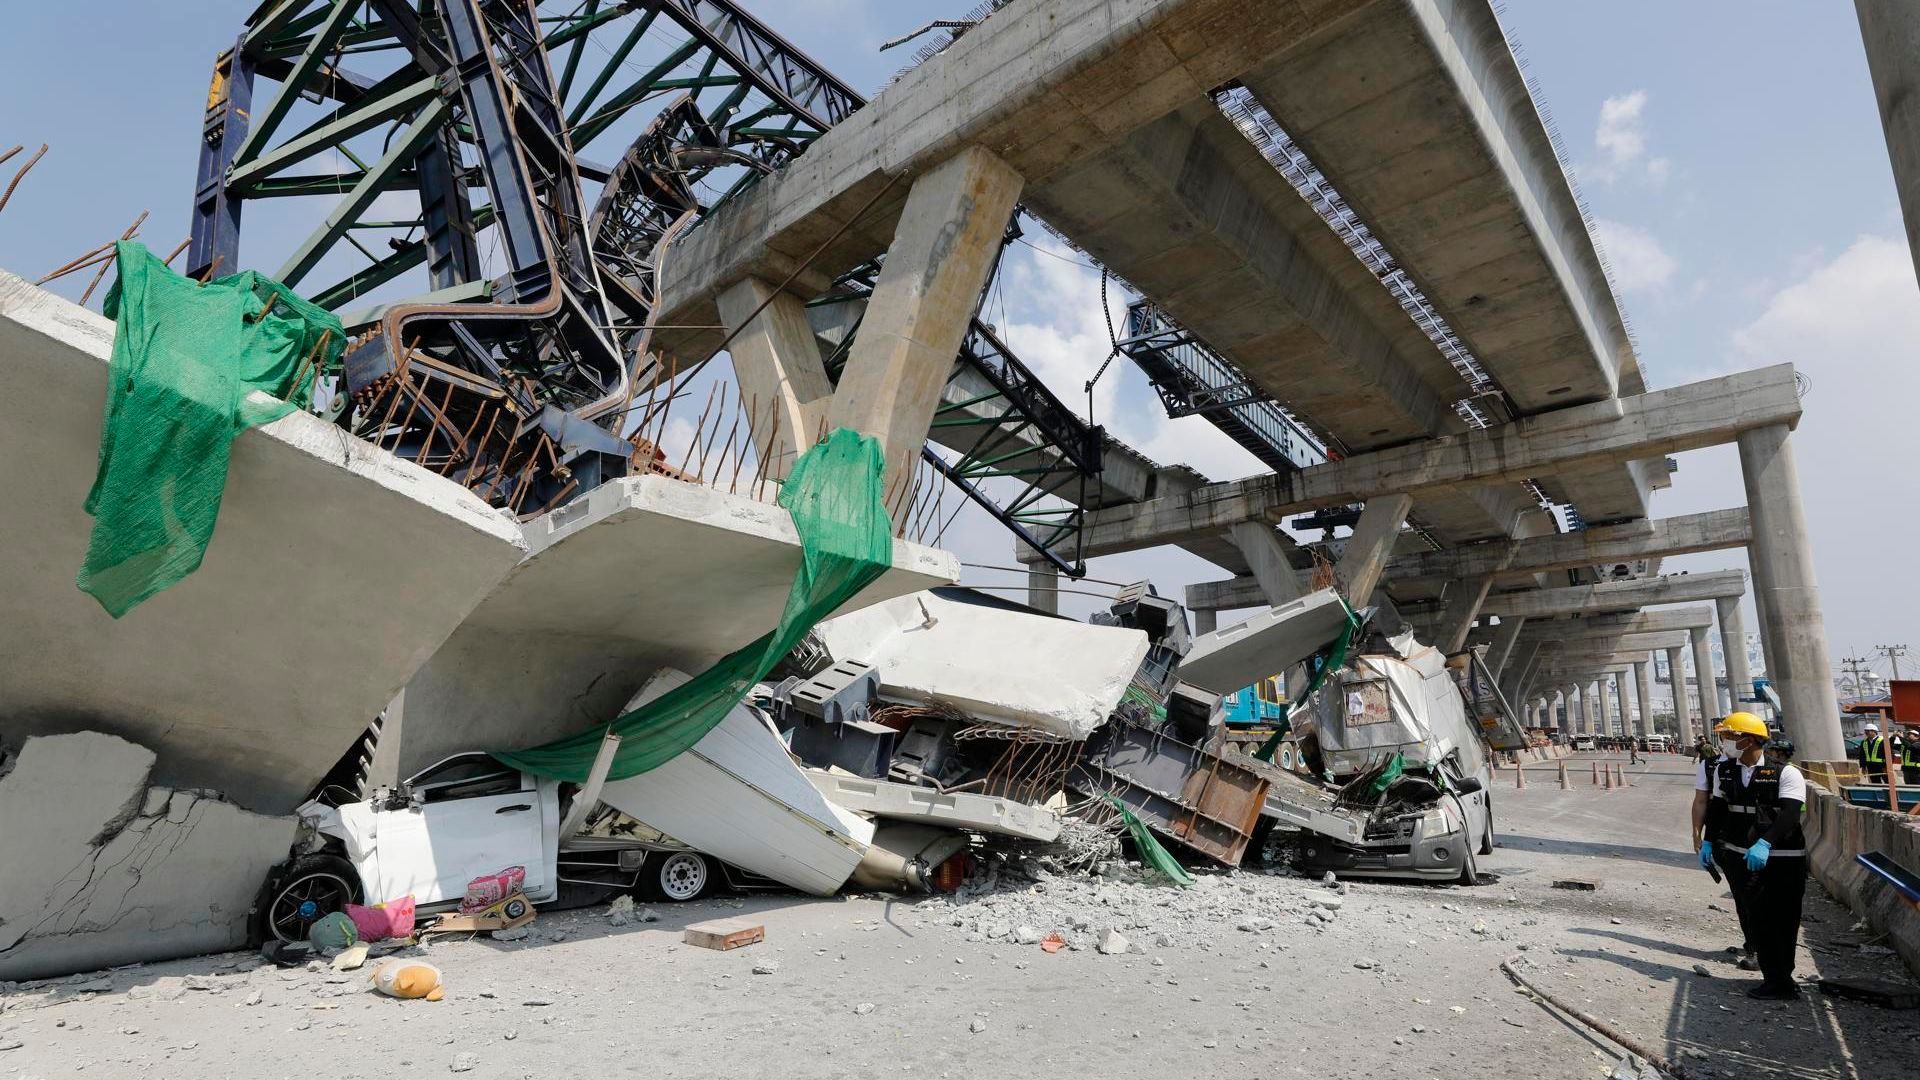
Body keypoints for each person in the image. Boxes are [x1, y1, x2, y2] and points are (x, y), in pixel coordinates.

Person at [1701, 711, 1810, 999]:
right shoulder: (1723, 771)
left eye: (1729, 736)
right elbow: (1717, 809)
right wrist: (1708, 842)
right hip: (1742, 858)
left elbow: (1789, 815)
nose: (1724, 741)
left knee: (1784, 918)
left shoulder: (1786, 773)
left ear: (1747, 740)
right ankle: (1772, 977)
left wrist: (1765, 844)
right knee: (1757, 917)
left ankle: (1783, 978)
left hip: (1784, 858)